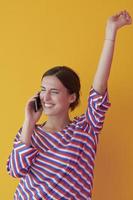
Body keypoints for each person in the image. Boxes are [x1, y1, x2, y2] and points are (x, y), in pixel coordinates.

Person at [7, 10, 132, 200]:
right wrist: (28, 122)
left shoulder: (86, 129)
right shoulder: (30, 132)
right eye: (43, 90)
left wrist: (111, 33)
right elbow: (16, 171)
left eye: (54, 92)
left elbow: (98, 89)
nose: (46, 97)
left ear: (72, 97)